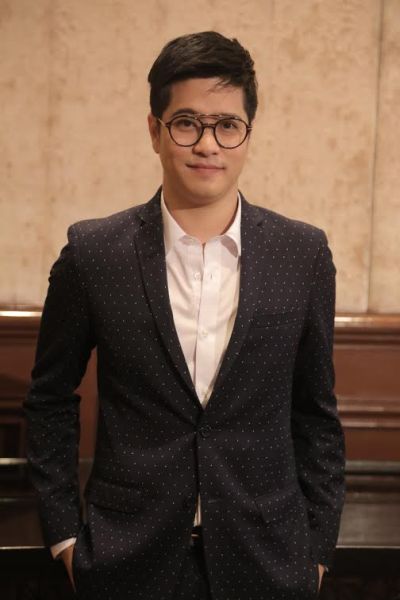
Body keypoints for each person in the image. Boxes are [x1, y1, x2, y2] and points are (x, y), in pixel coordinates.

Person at [24, 31, 345, 600]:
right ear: (155, 131)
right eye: (186, 123)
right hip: (125, 561)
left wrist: (317, 551)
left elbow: (316, 413)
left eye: (227, 125)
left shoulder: (303, 254)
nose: (207, 144)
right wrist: (66, 538)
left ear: (248, 134)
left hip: (269, 563)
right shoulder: (94, 254)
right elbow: (50, 399)